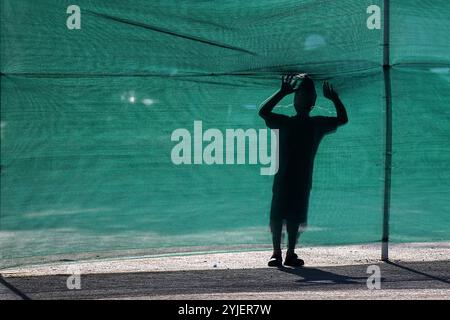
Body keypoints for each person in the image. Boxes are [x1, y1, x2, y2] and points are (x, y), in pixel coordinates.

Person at [259, 74, 348, 267]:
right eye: (300, 95)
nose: (303, 99)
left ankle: (289, 252)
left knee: (293, 216)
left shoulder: (315, 124)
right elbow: (263, 112)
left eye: (307, 96)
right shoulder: (286, 122)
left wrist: (335, 99)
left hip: (301, 179)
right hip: (283, 178)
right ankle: (276, 252)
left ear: (313, 101)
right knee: (278, 215)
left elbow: (342, 119)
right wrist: (281, 92)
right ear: (295, 99)